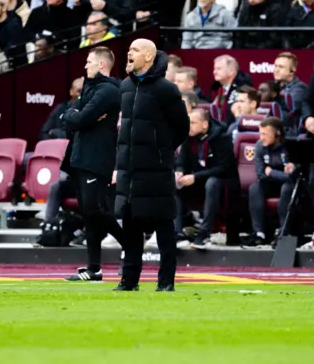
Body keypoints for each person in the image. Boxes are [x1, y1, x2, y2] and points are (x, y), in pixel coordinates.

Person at [114, 39, 189, 291]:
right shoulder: (124, 86)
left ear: (148, 57)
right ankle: (129, 281)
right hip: (129, 169)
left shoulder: (166, 89)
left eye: (134, 50)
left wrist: (161, 150)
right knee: (130, 226)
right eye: (129, 48)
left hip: (156, 168)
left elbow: (182, 127)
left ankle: (166, 282)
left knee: (163, 224)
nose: (129, 52)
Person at [61, 47, 123, 282]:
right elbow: (70, 117)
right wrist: (75, 115)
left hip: (96, 157)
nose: (85, 66)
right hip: (80, 155)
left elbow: (81, 118)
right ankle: (94, 268)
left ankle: (130, 243)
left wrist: (77, 116)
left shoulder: (107, 90)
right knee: (88, 214)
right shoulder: (90, 87)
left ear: (102, 65)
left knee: (94, 210)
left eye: (89, 62)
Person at [175, 108, 239, 248]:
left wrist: (195, 176)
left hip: (224, 182)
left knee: (212, 183)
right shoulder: (188, 137)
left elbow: (223, 168)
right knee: (175, 184)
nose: (188, 126)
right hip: (198, 181)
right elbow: (181, 161)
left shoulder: (222, 137)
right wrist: (179, 172)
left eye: (193, 123)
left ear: (204, 124)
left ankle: (204, 234)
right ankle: (177, 233)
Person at [247, 117, 297, 247]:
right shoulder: (259, 146)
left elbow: (293, 177)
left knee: (287, 187)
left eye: (265, 134)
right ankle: (259, 233)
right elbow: (260, 174)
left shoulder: (290, 146)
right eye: (260, 133)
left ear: (277, 134)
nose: (261, 137)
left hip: (288, 185)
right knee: (254, 187)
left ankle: (283, 231)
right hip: (269, 183)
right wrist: (279, 174)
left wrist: (272, 172)